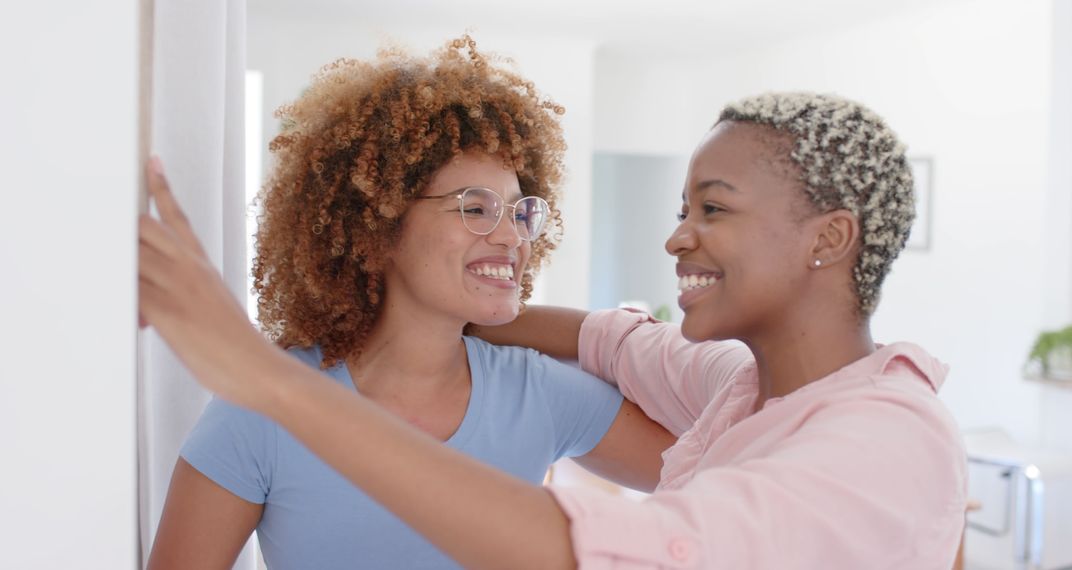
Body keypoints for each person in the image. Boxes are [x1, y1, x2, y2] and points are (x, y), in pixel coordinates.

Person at [140, 90, 967, 569]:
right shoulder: (737, 388)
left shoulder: (881, 440)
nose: (677, 237)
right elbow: (615, 340)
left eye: (713, 209)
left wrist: (270, 377)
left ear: (830, 238)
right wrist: (452, 306)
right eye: (474, 211)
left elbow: (626, 548)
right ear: (376, 226)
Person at [144, 36, 675, 570]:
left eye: (519, 213)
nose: (513, 238)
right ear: (381, 225)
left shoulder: (537, 392)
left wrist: (583, 332)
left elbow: (725, 471)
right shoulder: (259, 411)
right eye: (474, 208)